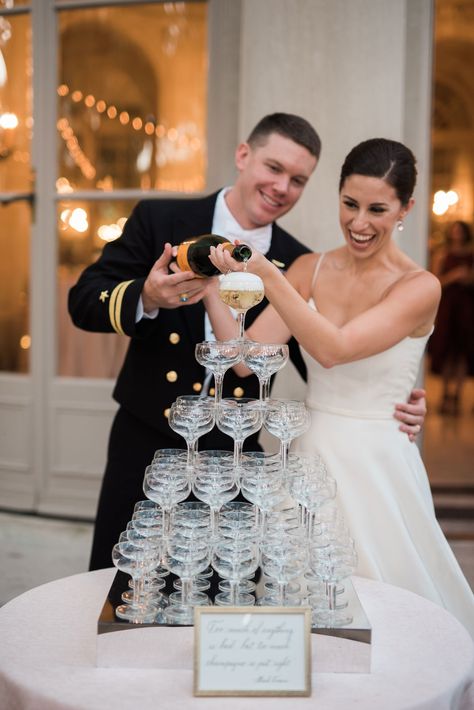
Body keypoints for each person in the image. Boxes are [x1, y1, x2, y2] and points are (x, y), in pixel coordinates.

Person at [68, 115, 426, 573]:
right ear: (243, 156)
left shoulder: (297, 260)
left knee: (223, 598)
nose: (281, 187)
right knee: (124, 584)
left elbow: (326, 353)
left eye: (298, 180)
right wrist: (149, 296)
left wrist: (395, 396)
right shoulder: (161, 219)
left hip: (235, 454)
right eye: (273, 168)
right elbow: (82, 300)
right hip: (147, 445)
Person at [205, 137, 474, 636]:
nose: (358, 222)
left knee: (383, 607)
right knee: (300, 602)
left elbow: (334, 348)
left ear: (406, 209)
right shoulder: (311, 268)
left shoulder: (420, 287)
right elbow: (247, 362)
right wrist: (207, 289)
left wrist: (265, 274)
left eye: (377, 209)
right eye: (349, 204)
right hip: (307, 452)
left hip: (377, 458)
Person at [428, 220, 474, 415]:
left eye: (460, 231)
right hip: (448, 307)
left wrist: (467, 278)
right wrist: (454, 276)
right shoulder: (442, 254)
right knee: (446, 350)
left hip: (467, 307)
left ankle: (458, 395)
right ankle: (445, 394)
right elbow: (435, 281)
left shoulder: (471, 255)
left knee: (463, 351)